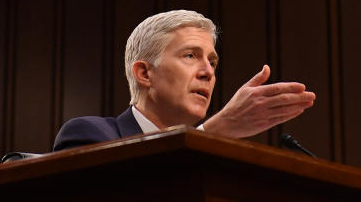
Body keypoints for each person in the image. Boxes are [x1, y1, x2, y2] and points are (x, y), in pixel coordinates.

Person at [52, 9, 316, 151]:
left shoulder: (223, 161)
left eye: (212, 62)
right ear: (145, 73)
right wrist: (211, 133)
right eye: (190, 55)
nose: (208, 72)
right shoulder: (88, 135)